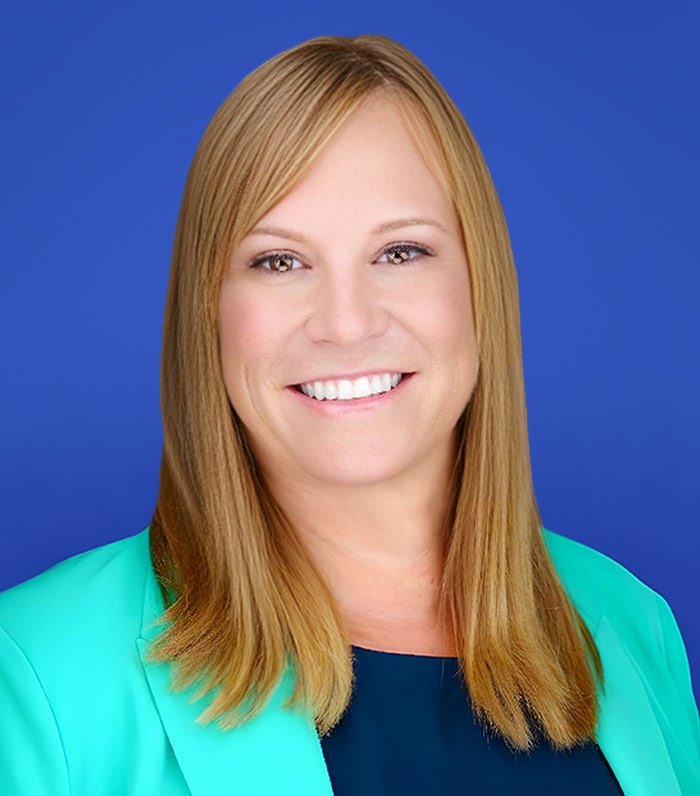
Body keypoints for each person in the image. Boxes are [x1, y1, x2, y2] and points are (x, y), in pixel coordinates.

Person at [0, 34, 698, 796]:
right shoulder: (33, 670)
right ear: (210, 312)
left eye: (400, 252)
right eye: (279, 261)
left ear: (480, 286)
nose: (346, 321)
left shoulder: (632, 623)